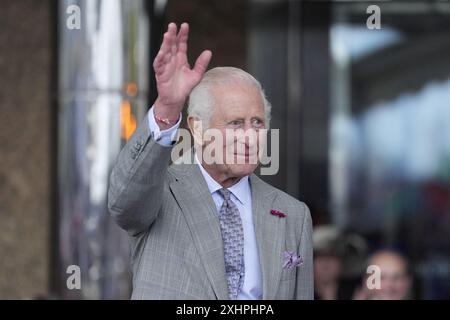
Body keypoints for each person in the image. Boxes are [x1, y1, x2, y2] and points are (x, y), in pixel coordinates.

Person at [108, 22, 313, 300]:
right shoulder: (160, 195)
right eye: (236, 123)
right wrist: (167, 109)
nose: (250, 137)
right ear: (199, 129)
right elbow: (123, 202)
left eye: (257, 123)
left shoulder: (293, 214)